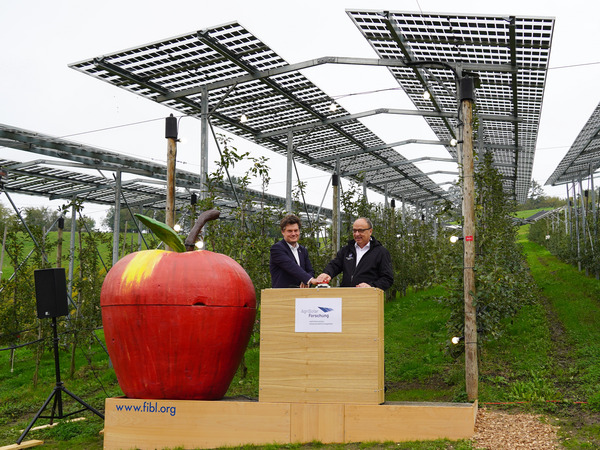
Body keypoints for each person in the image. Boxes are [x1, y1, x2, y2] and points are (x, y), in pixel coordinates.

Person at [316, 217, 393, 290]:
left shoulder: (381, 252)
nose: (356, 234)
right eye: (354, 230)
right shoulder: (347, 250)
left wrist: (371, 286)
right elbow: (335, 265)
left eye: (360, 231)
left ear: (370, 231)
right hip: (346, 297)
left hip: (368, 299)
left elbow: (387, 278)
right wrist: (327, 273)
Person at [269, 214, 318, 288]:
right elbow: (291, 266)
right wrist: (309, 279)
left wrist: (306, 282)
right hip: (282, 296)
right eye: (289, 231)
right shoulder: (277, 249)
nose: (293, 234)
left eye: (296, 230)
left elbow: (310, 271)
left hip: (301, 296)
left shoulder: (303, 250)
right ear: (283, 232)